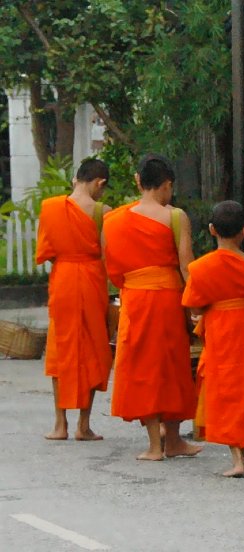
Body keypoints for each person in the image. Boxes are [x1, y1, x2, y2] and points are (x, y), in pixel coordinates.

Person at [102, 154, 201, 461]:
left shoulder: (113, 220)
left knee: (142, 368)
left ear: (137, 180)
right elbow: (187, 267)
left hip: (134, 298)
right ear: (167, 184)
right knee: (171, 368)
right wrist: (198, 304)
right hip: (168, 299)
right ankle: (172, 439)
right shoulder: (174, 216)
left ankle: (156, 445)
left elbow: (113, 270)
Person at [182, 200, 244, 477]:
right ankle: (242, 455)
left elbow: (195, 306)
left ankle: (237, 459)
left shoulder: (200, 268)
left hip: (221, 333)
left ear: (212, 230)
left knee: (225, 392)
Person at [36, 158, 113, 441]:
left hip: (64, 279)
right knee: (93, 348)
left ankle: (60, 425)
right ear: (99, 183)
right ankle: (84, 425)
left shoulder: (51, 207)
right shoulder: (103, 212)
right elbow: (109, 256)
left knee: (61, 346)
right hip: (92, 279)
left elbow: (46, 250)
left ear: (75, 180)